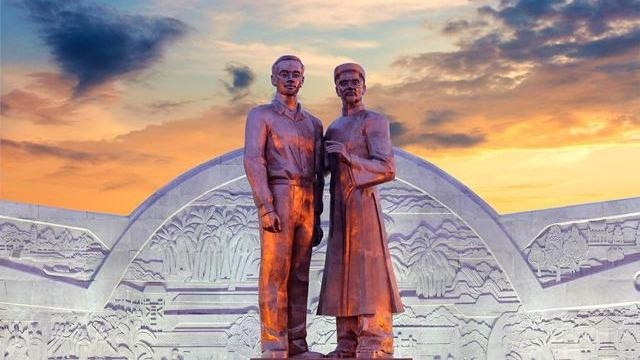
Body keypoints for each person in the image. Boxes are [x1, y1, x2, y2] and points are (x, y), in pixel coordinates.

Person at [318, 63, 404, 358]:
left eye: (355, 81)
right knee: (343, 271)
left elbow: (387, 168)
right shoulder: (334, 128)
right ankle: (347, 338)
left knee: (368, 272)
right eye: (343, 82)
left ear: (364, 86)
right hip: (340, 208)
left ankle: (374, 336)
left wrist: (349, 157)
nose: (350, 86)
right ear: (336, 88)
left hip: (363, 204)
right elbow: (325, 170)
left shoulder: (374, 121)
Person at [244, 55, 324, 358]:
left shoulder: (313, 124)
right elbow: (253, 159)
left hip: (305, 196)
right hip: (278, 192)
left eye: (296, 74)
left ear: (303, 80)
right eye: (284, 74)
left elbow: (319, 174)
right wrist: (265, 206)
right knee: (275, 272)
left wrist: (316, 216)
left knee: (300, 275)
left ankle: (297, 343)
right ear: (273, 78)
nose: (290, 78)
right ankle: (274, 345)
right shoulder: (260, 115)